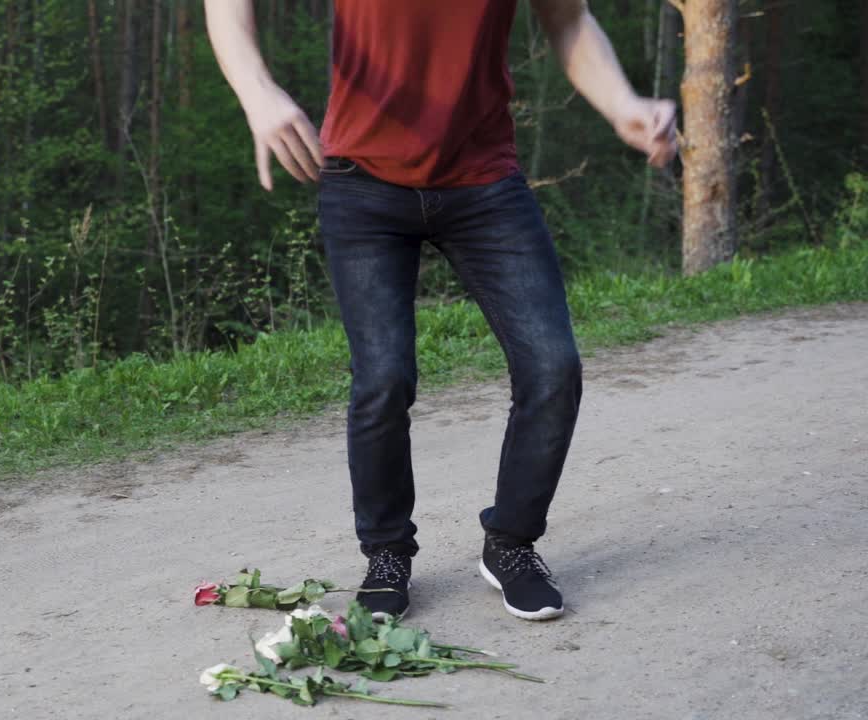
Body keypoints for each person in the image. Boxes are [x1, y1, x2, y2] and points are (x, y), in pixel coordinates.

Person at [206, 0, 678, 621]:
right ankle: (386, 555)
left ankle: (510, 543)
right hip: (362, 183)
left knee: (552, 366)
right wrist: (257, 92)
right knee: (383, 378)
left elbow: (567, 20)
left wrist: (623, 104)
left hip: (483, 184)